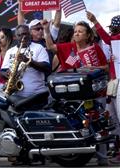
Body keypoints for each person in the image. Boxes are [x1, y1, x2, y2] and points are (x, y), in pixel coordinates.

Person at [43, 20, 109, 166]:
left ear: (88, 35)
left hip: (95, 94)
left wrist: (91, 69)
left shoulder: (95, 48)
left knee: (98, 124)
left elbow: (105, 67)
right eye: (75, 31)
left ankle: (102, 158)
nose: (77, 33)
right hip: (72, 95)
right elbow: (50, 46)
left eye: (80, 31)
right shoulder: (68, 47)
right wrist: (47, 31)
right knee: (76, 123)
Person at [87, 12, 120, 164]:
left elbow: (107, 38)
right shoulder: (114, 42)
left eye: (114, 29)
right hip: (113, 82)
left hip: (118, 82)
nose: (112, 31)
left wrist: (95, 21)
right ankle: (118, 149)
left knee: (117, 117)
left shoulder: (116, 39)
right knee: (112, 116)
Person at [1, 25, 50, 97]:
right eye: (20, 35)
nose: (24, 37)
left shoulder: (39, 48)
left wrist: (28, 61)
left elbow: (47, 68)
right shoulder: (10, 51)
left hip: (36, 95)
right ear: (16, 36)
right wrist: (7, 74)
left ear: (29, 34)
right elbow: (2, 71)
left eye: (26, 34)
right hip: (15, 95)